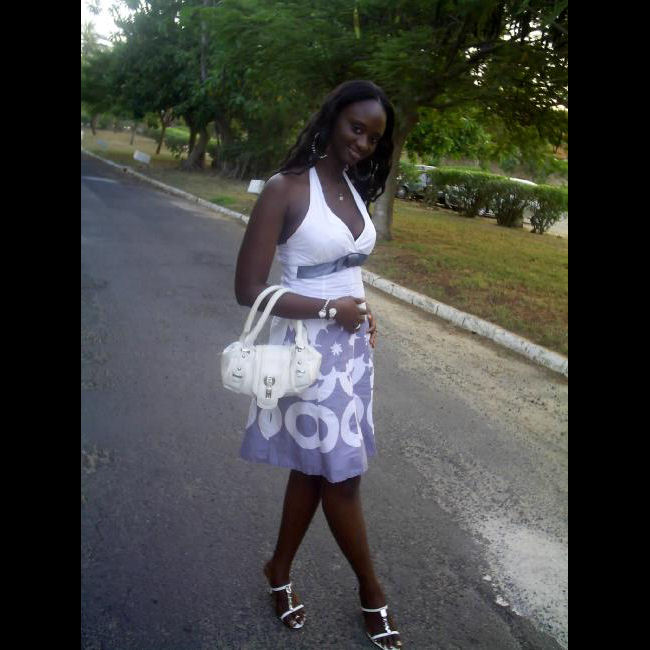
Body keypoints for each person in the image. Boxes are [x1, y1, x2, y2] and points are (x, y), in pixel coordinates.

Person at [234, 79, 402, 649]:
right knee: (343, 480)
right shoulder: (286, 189)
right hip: (306, 352)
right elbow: (249, 289)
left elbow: (343, 268)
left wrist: (361, 310)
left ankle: (278, 570)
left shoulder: (353, 188)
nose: (363, 143)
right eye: (357, 128)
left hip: (349, 353)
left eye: (374, 137)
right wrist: (333, 309)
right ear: (332, 119)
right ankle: (372, 594)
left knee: (313, 469)